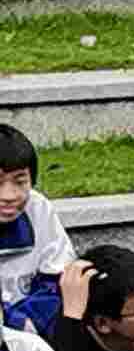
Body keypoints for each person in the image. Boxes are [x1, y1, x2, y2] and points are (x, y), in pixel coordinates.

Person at [0, 124, 74, 336]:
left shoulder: (38, 208)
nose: (9, 195)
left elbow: (57, 278)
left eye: (20, 181)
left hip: (32, 329)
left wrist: (30, 320)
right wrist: (13, 322)